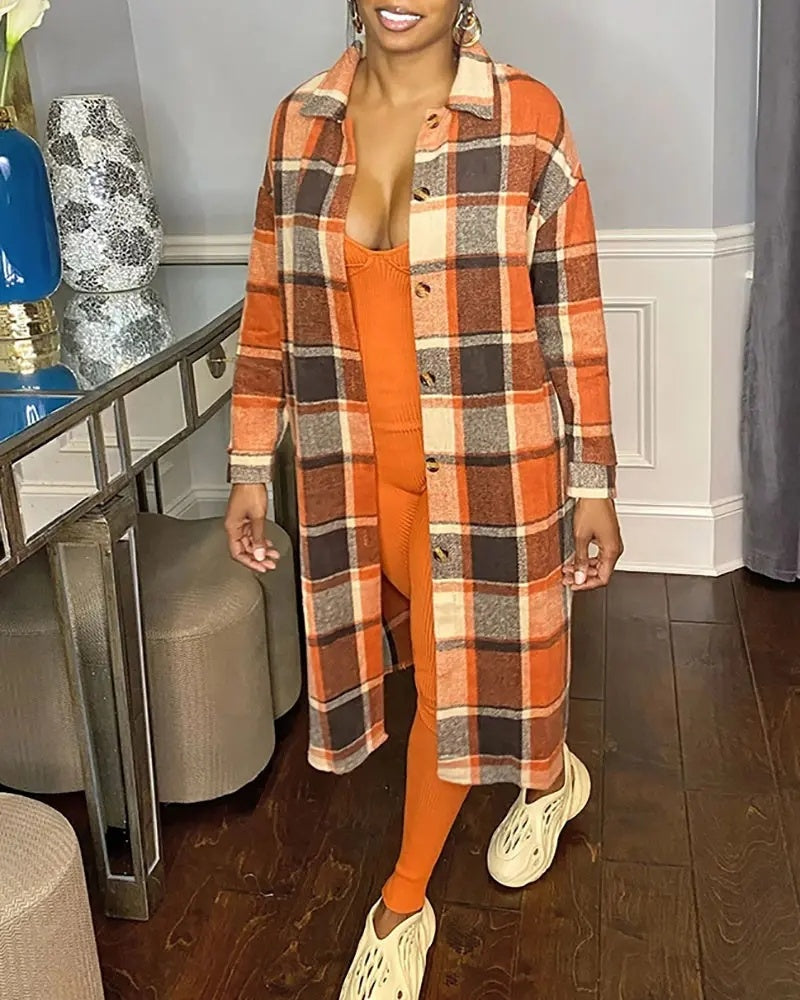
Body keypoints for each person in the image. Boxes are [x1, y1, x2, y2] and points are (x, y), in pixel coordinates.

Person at [224, 2, 623, 997]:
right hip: (352, 476)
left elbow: (569, 312)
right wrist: (247, 464)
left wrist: (592, 481)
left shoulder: (526, 118)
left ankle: (400, 909)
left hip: (489, 476)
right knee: (468, 669)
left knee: (451, 690)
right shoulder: (299, 124)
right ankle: (551, 775)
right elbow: (269, 308)